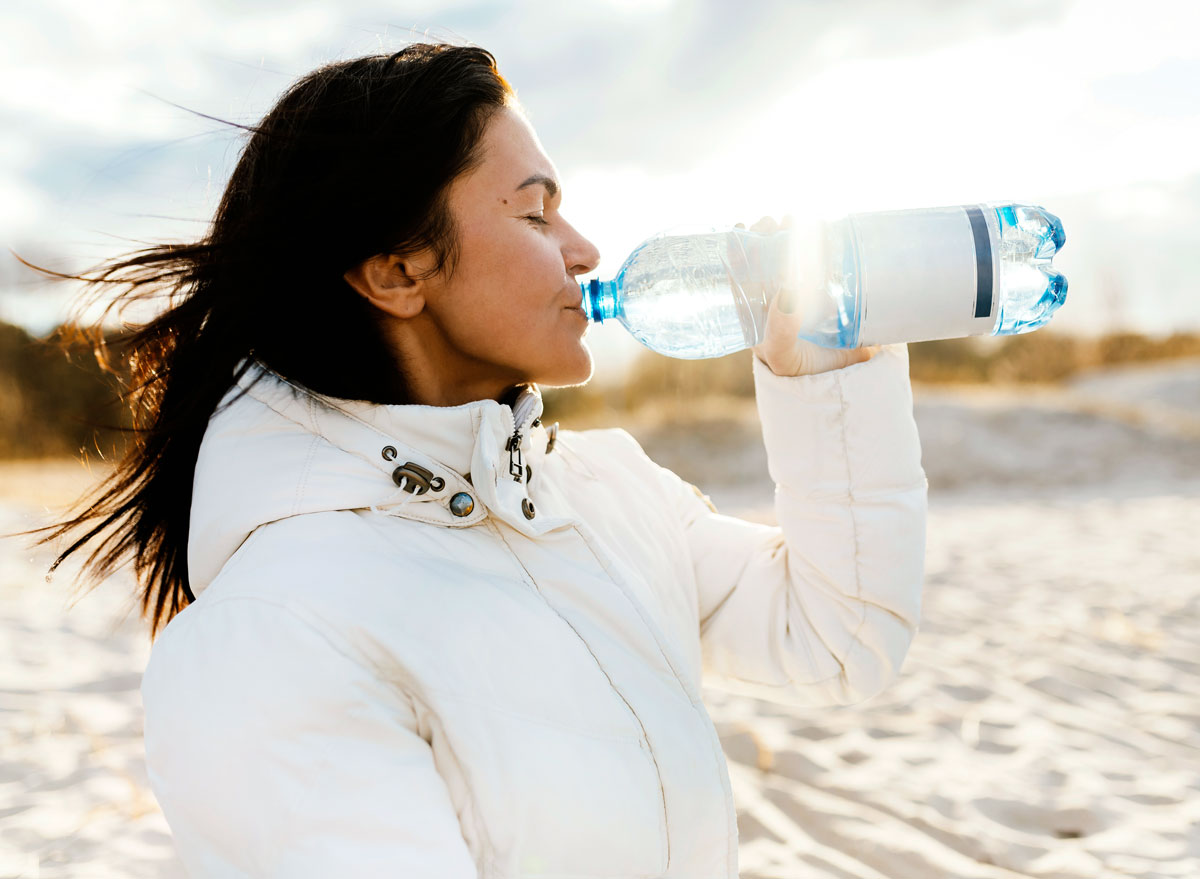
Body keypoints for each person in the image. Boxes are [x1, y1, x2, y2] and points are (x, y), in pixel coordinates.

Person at [38, 43, 927, 878]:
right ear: (395, 272)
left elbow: (840, 637)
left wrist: (825, 367)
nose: (583, 251)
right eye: (536, 213)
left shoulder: (602, 495)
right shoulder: (274, 630)